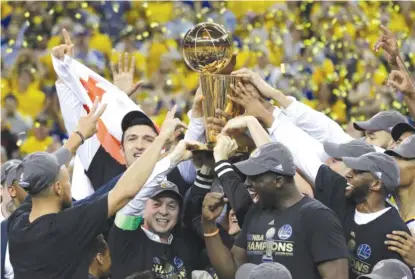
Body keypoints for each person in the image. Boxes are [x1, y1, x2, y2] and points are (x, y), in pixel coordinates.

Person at [7, 106, 187, 278]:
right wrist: (161, 140)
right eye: (66, 180)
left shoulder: (18, 220)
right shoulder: (67, 226)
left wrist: (79, 136)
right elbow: (125, 192)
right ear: (58, 188)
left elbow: (42, 173)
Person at [203, 138, 349, 279]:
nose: (247, 183)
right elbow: (231, 273)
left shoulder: (318, 217)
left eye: (255, 178)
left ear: (278, 182)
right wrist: (209, 225)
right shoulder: (256, 212)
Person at [109, 180, 203, 279]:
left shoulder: (186, 246)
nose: (164, 211)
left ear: (178, 213)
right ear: (143, 208)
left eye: (171, 206)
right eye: (157, 204)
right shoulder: (126, 240)